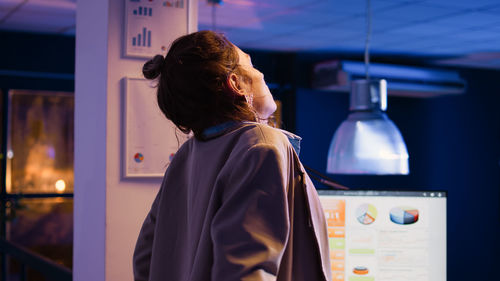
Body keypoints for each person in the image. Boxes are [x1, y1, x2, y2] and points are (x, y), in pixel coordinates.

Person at [133, 30, 332, 281]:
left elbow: (144, 258)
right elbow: (245, 272)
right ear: (236, 83)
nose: (261, 74)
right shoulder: (262, 146)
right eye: (251, 64)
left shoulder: (187, 155)